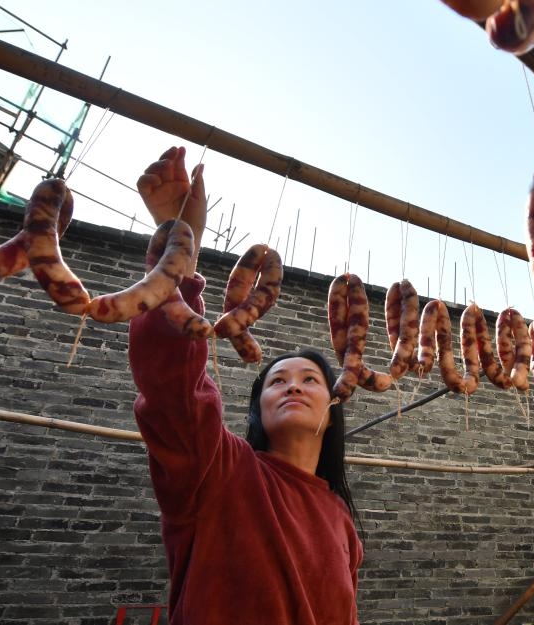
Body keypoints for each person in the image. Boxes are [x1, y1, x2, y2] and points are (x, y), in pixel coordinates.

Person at [128, 146, 363, 624]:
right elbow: (171, 386)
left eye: (309, 379)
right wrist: (179, 252)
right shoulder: (217, 471)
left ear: (332, 407)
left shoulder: (341, 520)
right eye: (276, 381)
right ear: (258, 408)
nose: (292, 386)